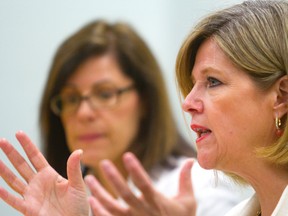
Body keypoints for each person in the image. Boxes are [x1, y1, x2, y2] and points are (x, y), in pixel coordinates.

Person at [0, 19, 251, 216]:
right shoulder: (58, 200)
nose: (84, 113)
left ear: (144, 101)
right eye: (71, 98)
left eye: (105, 93)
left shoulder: (198, 189)